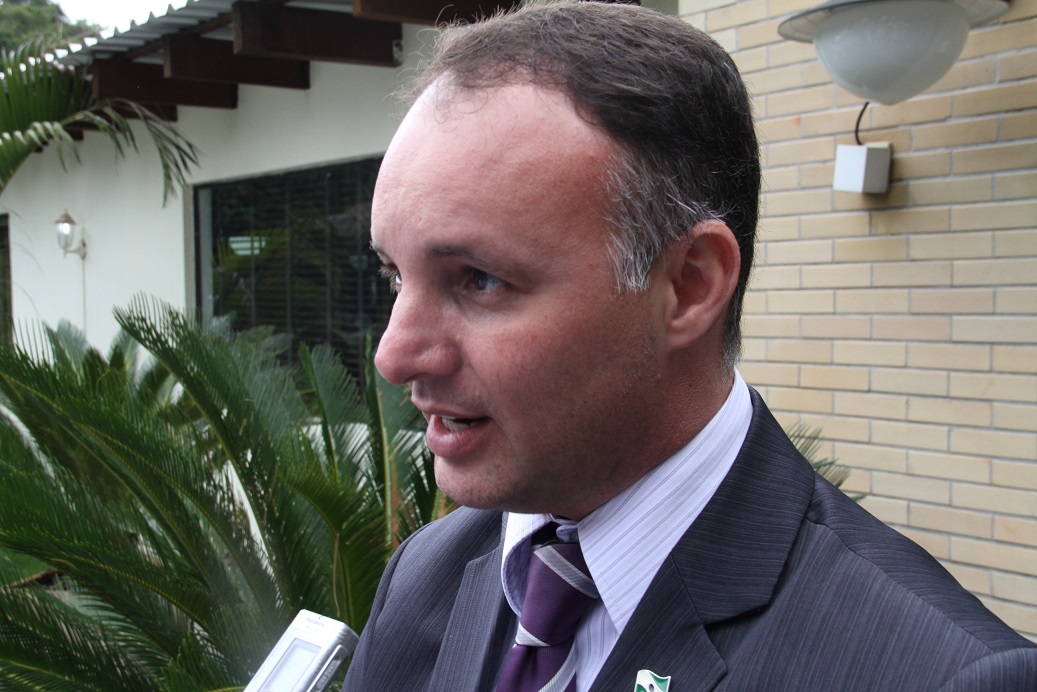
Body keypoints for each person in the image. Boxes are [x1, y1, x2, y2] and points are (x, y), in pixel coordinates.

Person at [343, 2, 1037, 690]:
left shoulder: (941, 674)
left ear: (688, 285)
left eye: (480, 280)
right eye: (395, 276)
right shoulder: (422, 577)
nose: (393, 356)